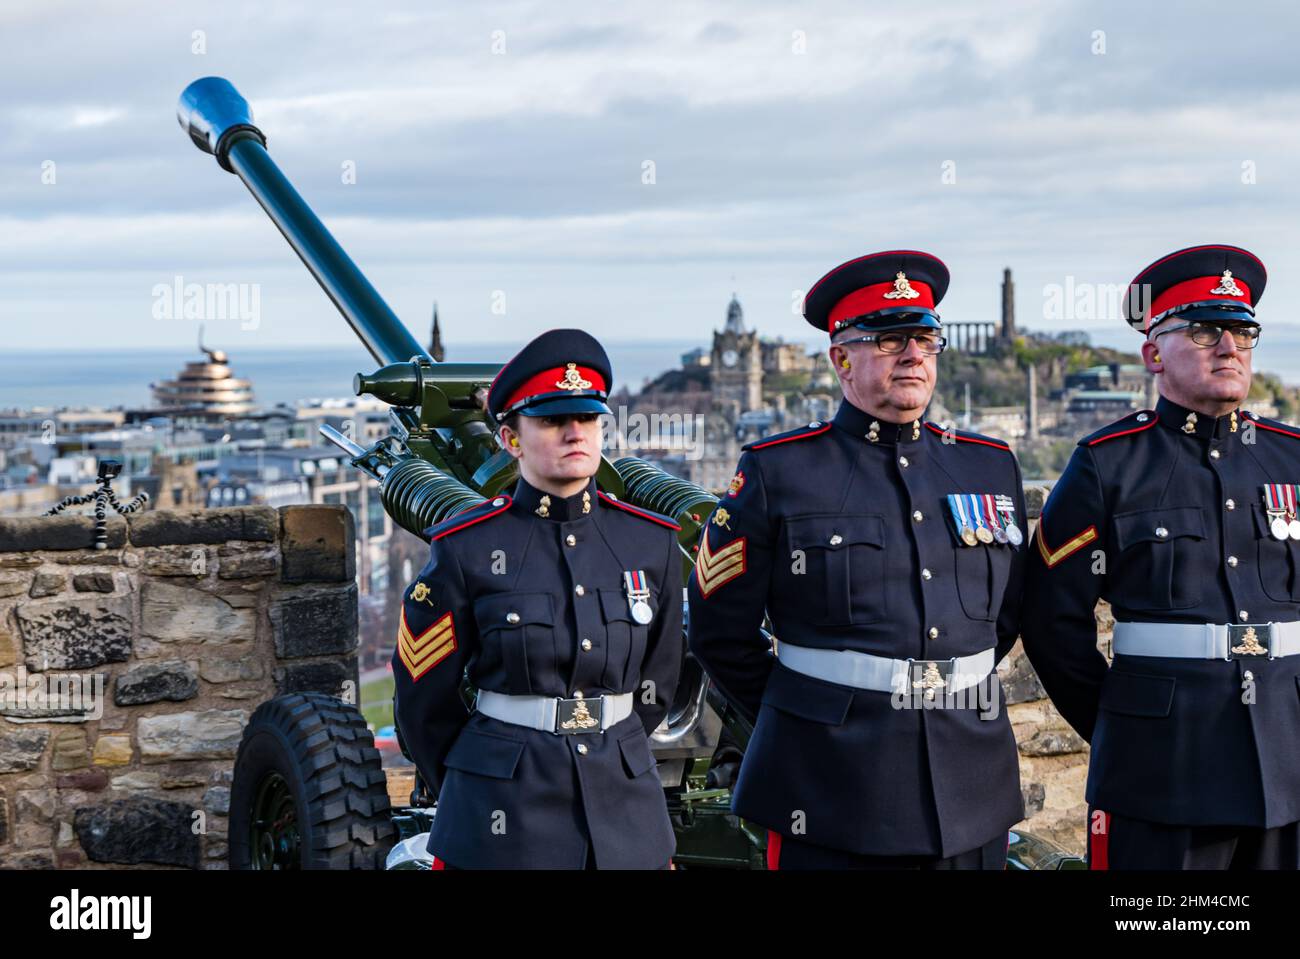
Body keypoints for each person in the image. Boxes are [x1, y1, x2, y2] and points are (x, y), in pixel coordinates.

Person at [687, 250, 1026, 869]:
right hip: (828, 790)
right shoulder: (779, 471)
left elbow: (1006, 614)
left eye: (925, 338)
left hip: (970, 788)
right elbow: (718, 629)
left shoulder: (987, 465)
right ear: (841, 358)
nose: (913, 355)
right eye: (890, 340)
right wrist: (808, 716)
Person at [1021, 244, 1300, 869]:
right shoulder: (1108, 463)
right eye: (1204, 331)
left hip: (1289, 764)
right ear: (1153, 354)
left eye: (1241, 331)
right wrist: (1128, 726)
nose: (1228, 347)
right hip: (1163, 774)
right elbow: (1048, 618)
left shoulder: (1291, 456)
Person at [392, 329, 684, 869]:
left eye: (589, 419)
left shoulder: (651, 543)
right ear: (511, 439)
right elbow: (423, 704)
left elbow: (656, 685)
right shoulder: (465, 548)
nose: (575, 433)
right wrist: (477, 780)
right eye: (552, 420)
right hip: (503, 817)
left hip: (626, 817)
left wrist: (611, 750)